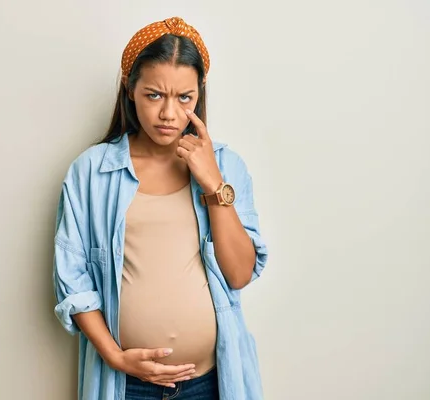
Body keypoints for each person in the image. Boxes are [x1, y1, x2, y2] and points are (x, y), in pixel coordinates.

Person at [53, 16, 268, 400]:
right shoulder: (91, 171)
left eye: (184, 98)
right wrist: (115, 358)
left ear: (199, 94)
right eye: (154, 95)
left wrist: (214, 184)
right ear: (130, 89)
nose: (169, 114)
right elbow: (73, 278)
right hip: (127, 386)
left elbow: (239, 274)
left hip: (212, 383)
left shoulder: (226, 165)